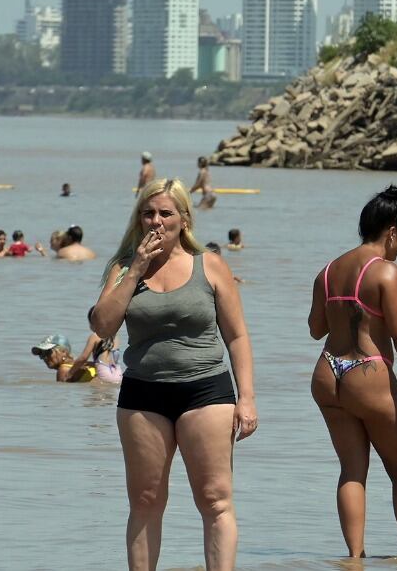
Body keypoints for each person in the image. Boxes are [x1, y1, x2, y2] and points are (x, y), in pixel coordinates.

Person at [88, 178, 256, 571]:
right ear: (138, 218)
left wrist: (246, 397)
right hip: (143, 396)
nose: (156, 221)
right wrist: (135, 272)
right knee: (145, 501)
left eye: (166, 213)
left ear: (184, 218)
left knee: (215, 498)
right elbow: (102, 324)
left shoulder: (210, 264)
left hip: (206, 391)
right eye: (148, 213)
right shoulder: (123, 268)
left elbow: (237, 336)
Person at [308, 186, 397, 559]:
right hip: (368, 372)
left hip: (328, 373)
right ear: (391, 231)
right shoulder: (386, 272)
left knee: (352, 471)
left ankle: (355, 559)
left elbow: (316, 328)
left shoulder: (327, 271)